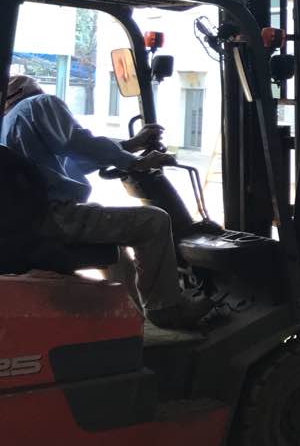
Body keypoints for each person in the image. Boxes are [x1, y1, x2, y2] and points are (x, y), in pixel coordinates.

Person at [2, 75, 212, 331]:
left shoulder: (11, 123)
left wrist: (129, 148)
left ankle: (129, 317)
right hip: (57, 215)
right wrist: (135, 162)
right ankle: (165, 308)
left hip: (39, 220)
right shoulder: (38, 104)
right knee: (154, 221)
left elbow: (72, 165)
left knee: (117, 249)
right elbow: (77, 142)